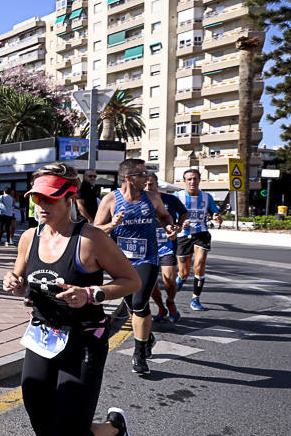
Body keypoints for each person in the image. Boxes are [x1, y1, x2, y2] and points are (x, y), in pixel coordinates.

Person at [3, 163, 141, 436]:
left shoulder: (91, 239)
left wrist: (92, 293)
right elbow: (19, 274)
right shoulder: (29, 237)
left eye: (49, 198)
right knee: (42, 426)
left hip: (84, 343)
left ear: (69, 198)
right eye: (36, 199)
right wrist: (13, 283)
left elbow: (130, 281)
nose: (41, 206)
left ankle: (114, 428)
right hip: (42, 339)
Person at [93, 158, 172, 375]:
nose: (147, 178)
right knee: (133, 307)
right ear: (128, 178)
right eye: (142, 174)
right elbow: (96, 230)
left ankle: (139, 354)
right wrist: (112, 224)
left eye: (147, 174)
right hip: (120, 261)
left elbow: (164, 216)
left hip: (147, 258)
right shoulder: (110, 200)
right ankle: (147, 336)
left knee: (138, 302)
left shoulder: (152, 198)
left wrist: (169, 226)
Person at [175, 168, 223, 311]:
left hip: (201, 233)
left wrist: (217, 217)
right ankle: (181, 279)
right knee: (184, 272)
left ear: (199, 180)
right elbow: (169, 216)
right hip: (183, 236)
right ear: (184, 181)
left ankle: (195, 299)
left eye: (195, 178)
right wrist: (179, 222)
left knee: (200, 264)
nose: (192, 181)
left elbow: (215, 212)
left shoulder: (207, 197)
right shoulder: (178, 196)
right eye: (189, 179)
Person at [146, 173, 187, 324]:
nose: (148, 187)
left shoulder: (170, 199)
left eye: (151, 184)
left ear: (157, 185)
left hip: (167, 244)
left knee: (169, 279)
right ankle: (161, 308)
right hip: (147, 247)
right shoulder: (138, 201)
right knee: (150, 283)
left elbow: (184, 213)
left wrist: (179, 226)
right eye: (145, 184)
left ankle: (170, 302)